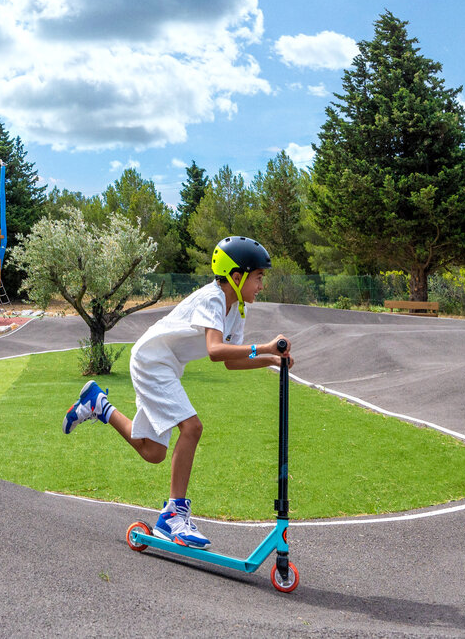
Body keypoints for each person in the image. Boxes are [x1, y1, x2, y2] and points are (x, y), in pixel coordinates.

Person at [61, 236, 292, 550]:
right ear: (236, 277)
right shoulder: (213, 298)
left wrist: (271, 359)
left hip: (164, 367)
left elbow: (230, 362)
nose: (261, 285)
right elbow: (214, 350)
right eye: (259, 277)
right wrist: (265, 346)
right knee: (192, 427)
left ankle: (99, 405)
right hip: (151, 361)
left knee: (153, 453)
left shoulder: (236, 310)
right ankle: (173, 516)